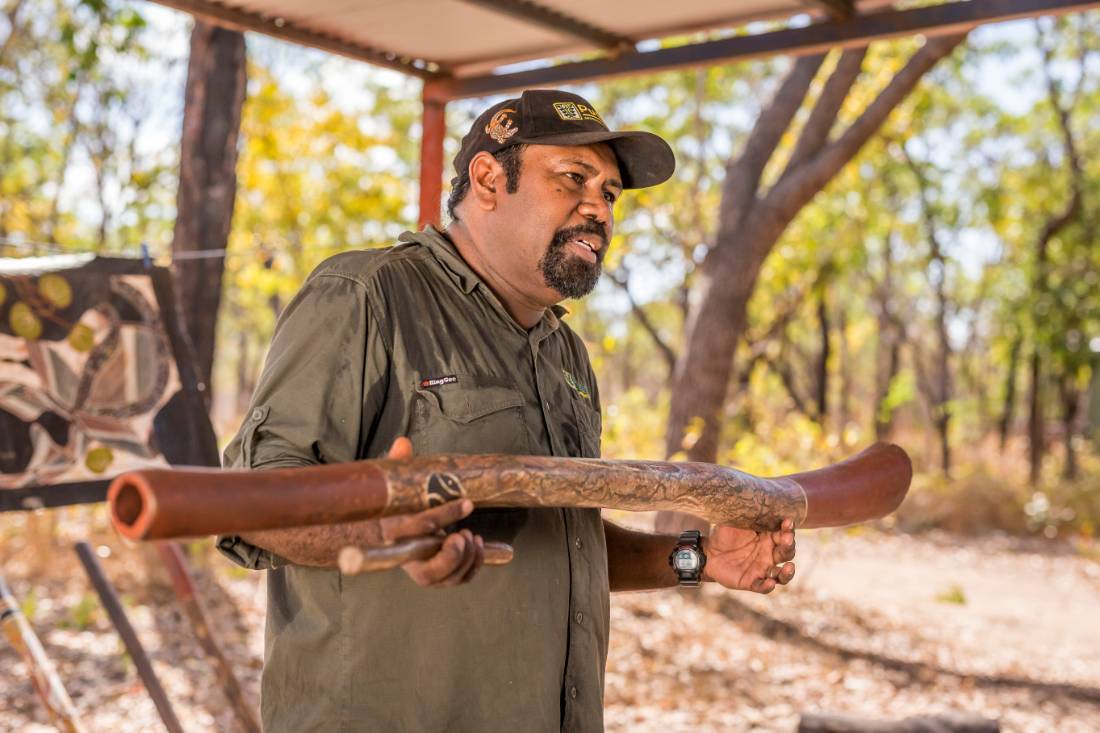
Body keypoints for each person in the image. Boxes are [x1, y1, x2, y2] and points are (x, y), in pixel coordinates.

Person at [217, 89, 796, 732]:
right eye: (573, 178)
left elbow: (560, 543)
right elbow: (253, 503)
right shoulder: (366, 295)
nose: (598, 209)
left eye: (609, 193)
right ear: (489, 180)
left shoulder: (564, 353)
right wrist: (379, 536)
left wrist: (695, 557)